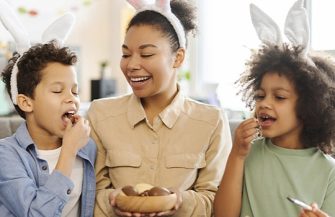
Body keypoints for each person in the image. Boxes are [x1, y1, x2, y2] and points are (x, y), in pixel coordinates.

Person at [87, 0, 232, 216]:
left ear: (178, 58)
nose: (132, 65)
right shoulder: (100, 115)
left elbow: (215, 200)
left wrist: (178, 201)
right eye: (126, 54)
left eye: (146, 54)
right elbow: (91, 194)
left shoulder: (211, 121)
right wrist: (115, 202)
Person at [214, 1, 335, 217]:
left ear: (309, 105)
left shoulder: (330, 171)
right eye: (260, 96)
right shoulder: (246, 154)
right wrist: (237, 155)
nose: (264, 103)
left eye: (279, 97)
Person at [0, 41, 96, 216]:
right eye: (58, 91)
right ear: (26, 103)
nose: (71, 99)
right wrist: (69, 150)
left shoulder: (87, 147)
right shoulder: (5, 155)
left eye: (75, 91)